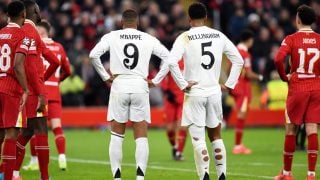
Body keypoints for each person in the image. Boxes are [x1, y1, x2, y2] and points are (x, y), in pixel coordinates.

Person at [89, 9, 192, 180]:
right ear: (137, 24)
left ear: (122, 23)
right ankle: (140, 177)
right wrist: (156, 80)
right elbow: (169, 58)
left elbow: (93, 55)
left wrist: (106, 77)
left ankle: (117, 177)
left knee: (117, 134)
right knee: (141, 135)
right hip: (140, 85)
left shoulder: (112, 36)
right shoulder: (147, 38)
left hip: (119, 85)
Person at [152, 2, 244, 179]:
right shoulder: (218, 35)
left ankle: (205, 176)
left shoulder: (185, 37)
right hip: (214, 91)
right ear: (206, 18)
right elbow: (238, 61)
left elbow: (171, 62)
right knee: (216, 136)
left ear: (189, 19)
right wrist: (230, 84)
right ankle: (222, 175)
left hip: (194, 93)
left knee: (198, 139)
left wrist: (182, 84)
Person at [13, 1, 60, 180]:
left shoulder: (17, 32)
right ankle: (44, 177)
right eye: (38, 9)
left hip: (18, 90)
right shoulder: (30, 32)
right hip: (33, 91)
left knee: (25, 132)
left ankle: (11, 172)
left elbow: (53, 60)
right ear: (31, 11)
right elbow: (44, 64)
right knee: (40, 130)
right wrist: (41, 87)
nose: (40, 12)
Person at [274, 5, 320, 180]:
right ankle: (311, 174)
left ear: (298, 19)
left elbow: (278, 58)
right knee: (312, 128)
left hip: (298, 86)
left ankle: (287, 173)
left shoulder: (291, 39)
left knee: (291, 129)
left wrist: (284, 77)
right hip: (316, 86)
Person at [23, 20, 71, 171]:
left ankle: (35, 161)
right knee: (57, 127)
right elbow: (67, 71)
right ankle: (62, 157)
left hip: (38, 93)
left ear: (40, 32)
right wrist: (57, 81)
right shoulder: (59, 47)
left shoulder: (35, 45)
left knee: (35, 129)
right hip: (54, 93)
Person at [0, 1, 29, 179]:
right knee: (12, 133)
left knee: (0, 133)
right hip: (11, 89)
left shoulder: (0, 34)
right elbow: (18, 65)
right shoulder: (23, 36)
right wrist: (25, 89)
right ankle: (8, 176)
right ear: (23, 15)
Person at [230, 30, 263, 155]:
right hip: (243, 88)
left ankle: (238, 144)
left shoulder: (233, 52)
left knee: (240, 114)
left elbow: (229, 69)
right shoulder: (245, 54)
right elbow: (248, 74)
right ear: (249, 40)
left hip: (235, 87)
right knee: (241, 116)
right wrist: (260, 77)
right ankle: (238, 146)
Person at [161, 60, 187, 161]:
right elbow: (162, 76)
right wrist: (166, 90)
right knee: (170, 130)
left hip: (184, 98)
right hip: (171, 99)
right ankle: (175, 146)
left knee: (183, 126)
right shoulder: (170, 59)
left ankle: (179, 152)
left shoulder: (190, 58)